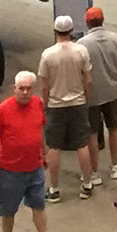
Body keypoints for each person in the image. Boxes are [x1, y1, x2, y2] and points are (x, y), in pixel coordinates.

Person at [0, 72, 64, 232]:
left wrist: (43, 154)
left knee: (39, 206)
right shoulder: (4, 110)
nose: (25, 92)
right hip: (10, 171)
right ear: (14, 89)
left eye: (28, 88)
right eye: (21, 89)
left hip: (34, 168)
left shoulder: (37, 104)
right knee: (8, 209)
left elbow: (39, 130)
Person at [37, 15, 93, 201]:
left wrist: (46, 105)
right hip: (78, 102)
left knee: (53, 146)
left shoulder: (48, 55)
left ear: (55, 31)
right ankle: (86, 184)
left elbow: (44, 85)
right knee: (82, 144)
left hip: (56, 105)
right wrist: (86, 98)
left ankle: (54, 189)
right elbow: (88, 80)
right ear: (71, 31)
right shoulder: (81, 51)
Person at [79, 5, 117, 188]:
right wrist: (115, 81)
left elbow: (81, 70)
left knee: (92, 132)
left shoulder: (83, 44)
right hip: (112, 90)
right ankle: (115, 165)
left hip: (91, 95)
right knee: (114, 127)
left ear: (87, 22)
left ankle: (94, 172)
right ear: (103, 20)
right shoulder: (115, 39)